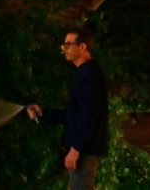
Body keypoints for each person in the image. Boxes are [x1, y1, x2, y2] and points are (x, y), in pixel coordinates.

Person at [27, 27, 109, 190]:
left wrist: (76, 148)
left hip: (84, 151)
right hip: (82, 149)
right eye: (63, 45)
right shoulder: (84, 73)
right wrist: (44, 113)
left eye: (68, 44)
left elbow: (89, 115)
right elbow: (74, 115)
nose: (64, 49)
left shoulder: (90, 75)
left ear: (83, 47)